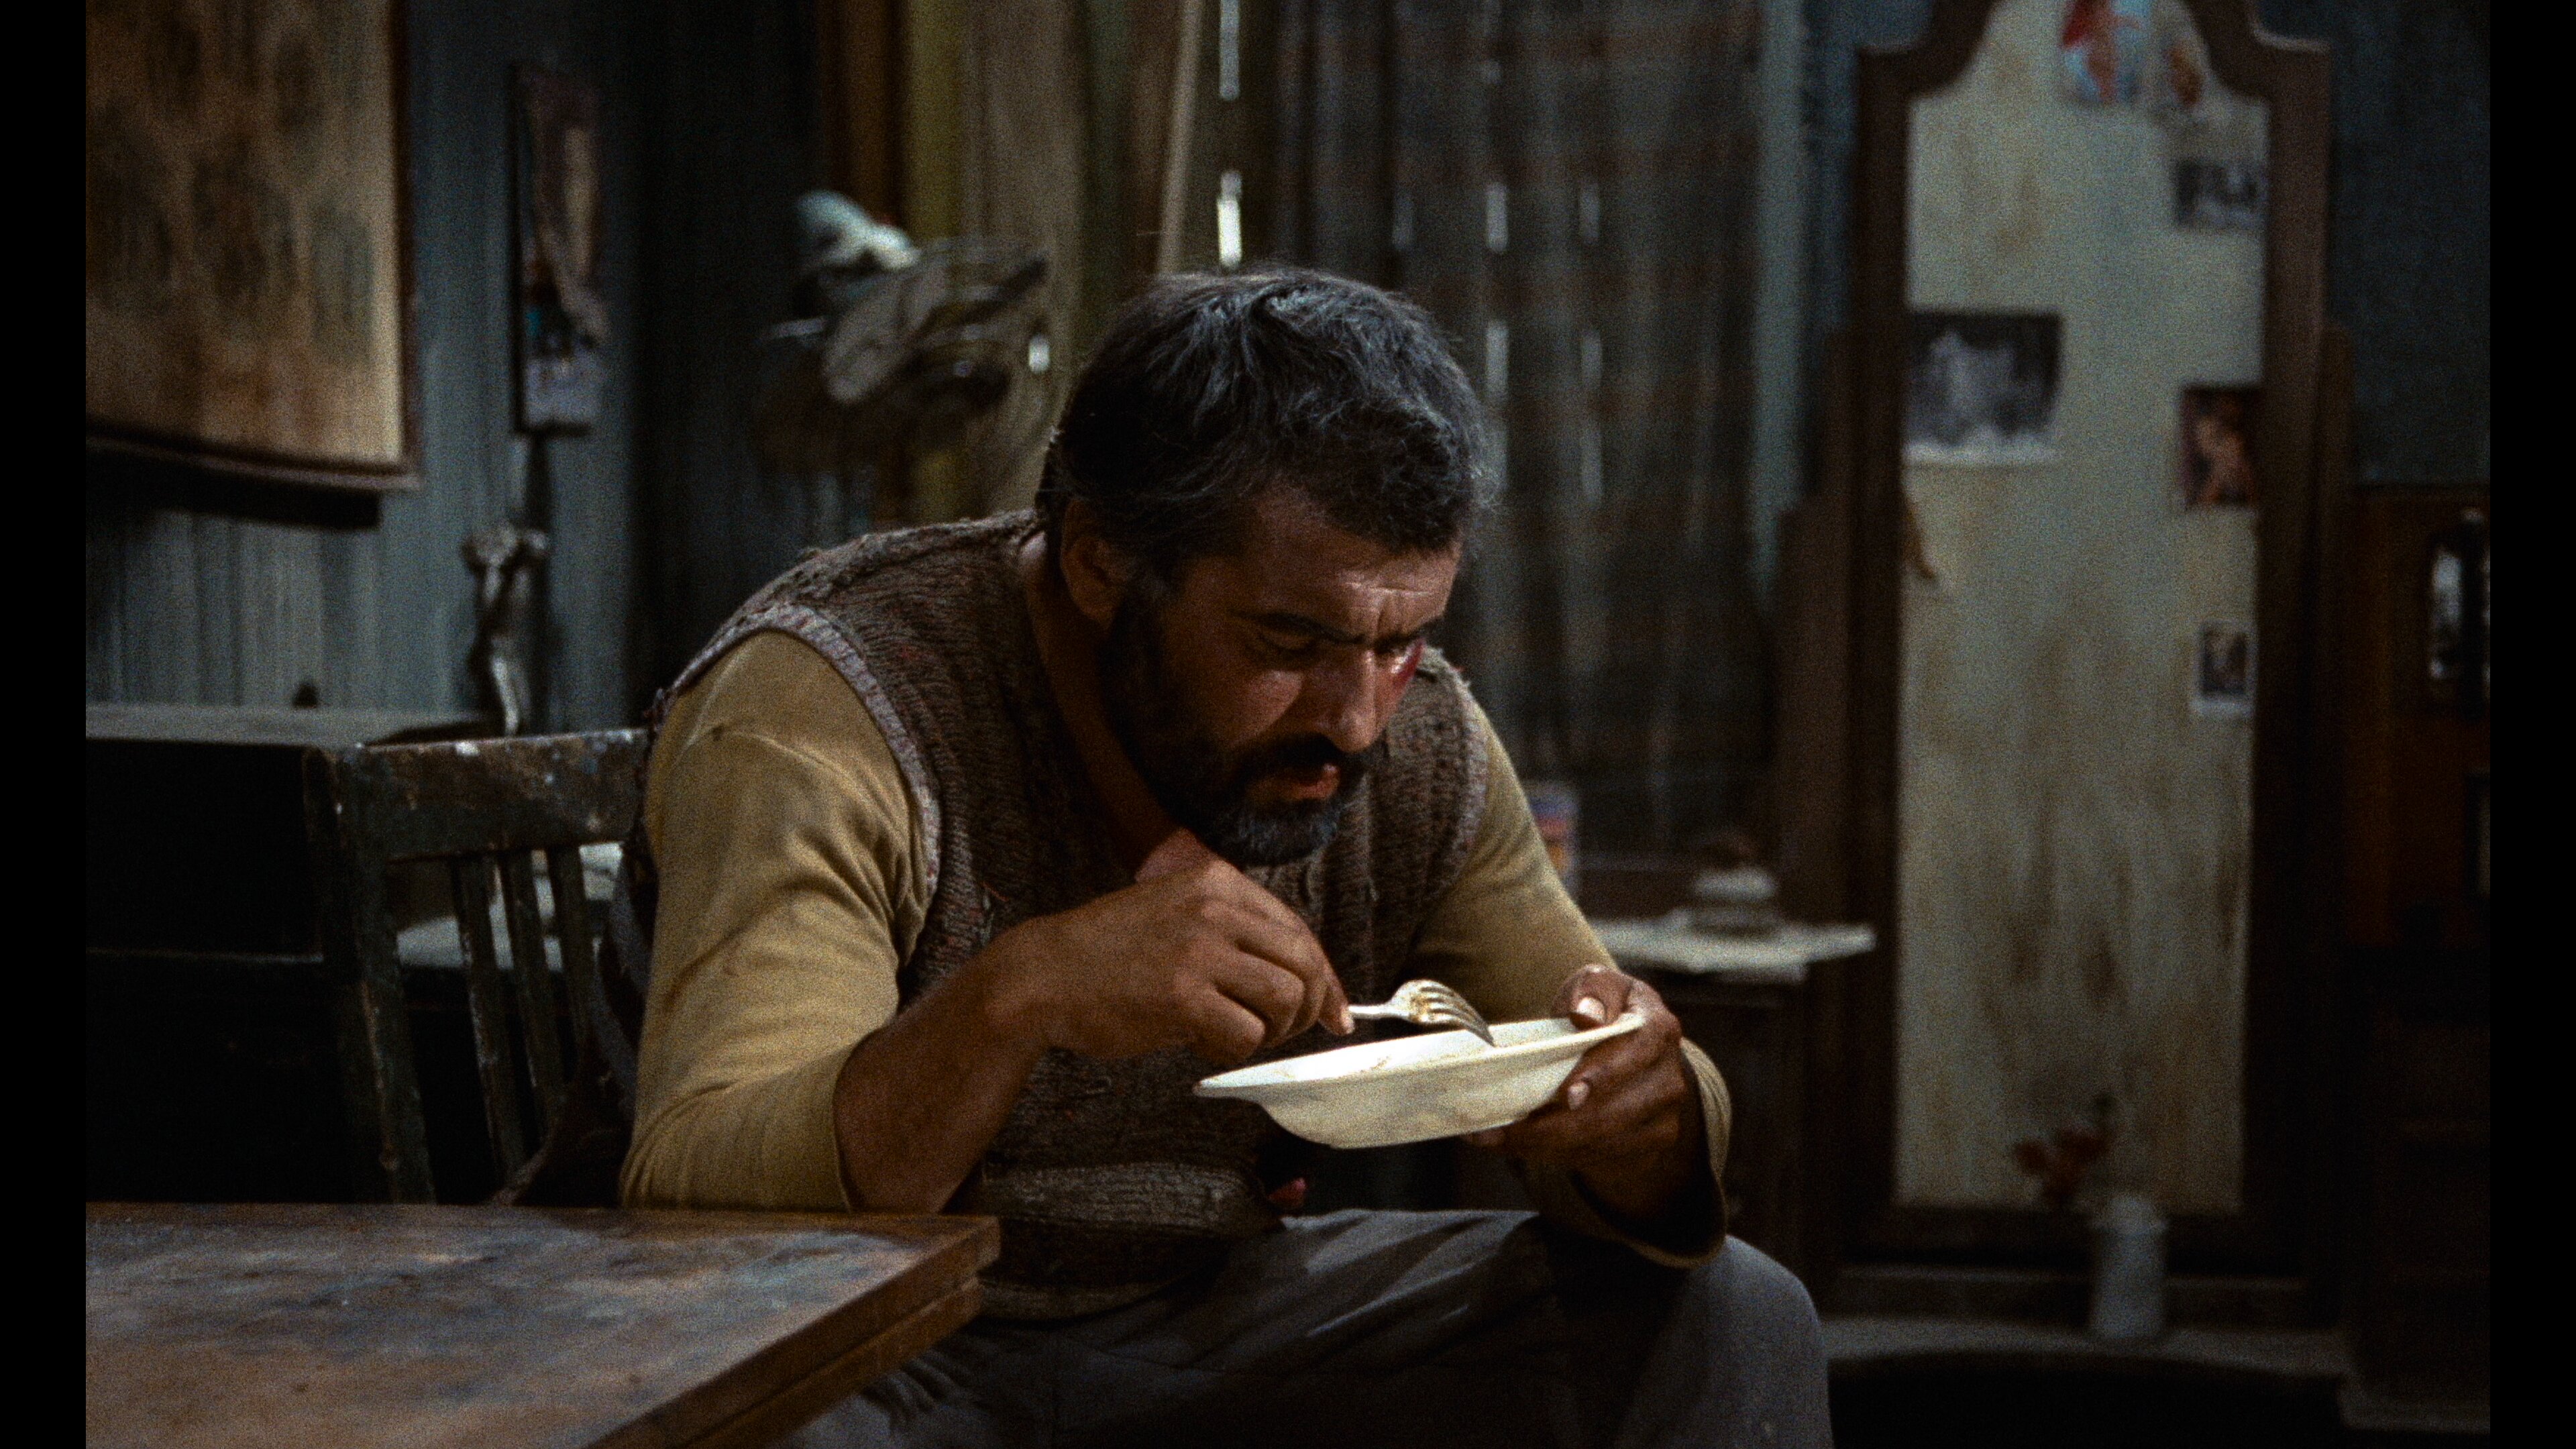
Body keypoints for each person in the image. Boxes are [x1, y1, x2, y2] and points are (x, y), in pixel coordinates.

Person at [618, 269, 1831, 1447]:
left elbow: (1612, 1063)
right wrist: (1018, 998)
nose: (1357, 720)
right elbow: (710, 1199)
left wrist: (1643, 1118)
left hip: (1201, 1324)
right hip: (877, 1349)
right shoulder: (834, 708)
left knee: (1731, 1320)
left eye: (1403, 642)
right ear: (1099, 564)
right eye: (1289, 642)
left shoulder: (1418, 746)